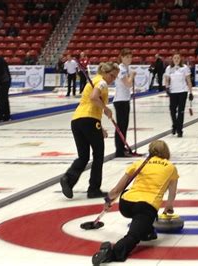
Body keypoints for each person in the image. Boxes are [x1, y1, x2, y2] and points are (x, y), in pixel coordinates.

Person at [91, 140, 179, 265]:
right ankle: (112, 253)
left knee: (142, 217)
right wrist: (168, 208)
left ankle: (147, 232)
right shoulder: (170, 167)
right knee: (133, 236)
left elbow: (117, 189)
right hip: (145, 206)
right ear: (166, 152)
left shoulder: (140, 163)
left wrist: (108, 200)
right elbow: (172, 193)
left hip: (126, 204)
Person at [60, 62, 120, 199]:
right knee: (98, 155)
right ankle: (93, 189)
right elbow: (93, 98)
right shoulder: (102, 82)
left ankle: (68, 179)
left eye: (115, 77)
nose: (113, 79)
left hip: (77, 120)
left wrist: (100, 126)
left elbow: (89, 102)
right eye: (112, 76)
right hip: (89, 120)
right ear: (105, 72)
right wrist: (106, 109)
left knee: (83, 156)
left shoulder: (94, 81)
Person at [164, 53, 194, 137]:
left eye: (178, 58)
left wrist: (190, 92)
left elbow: (188, 80)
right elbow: (166, 79)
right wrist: (166, 88)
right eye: (175, 58)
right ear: (172, 59)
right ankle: (175, 125)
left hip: (182, 91)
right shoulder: (169, 68)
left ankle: (179, 130)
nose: (176, 59)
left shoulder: (184, 68)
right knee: (172, 110)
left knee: (181, 111)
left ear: (180, 59)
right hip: (173, 92)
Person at [114, 49, 136, 157]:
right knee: (121, 126)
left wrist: (131, 75)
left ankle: (122, 147)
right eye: (126, 57)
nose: (129, 59)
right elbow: (127, 84)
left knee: (124, 126)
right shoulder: (120, 68)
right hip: (120, 100)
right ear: (121, 57)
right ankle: (119, 150)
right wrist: (132, 76)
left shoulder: (126, 68)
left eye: (130, 57)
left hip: (125, 99)